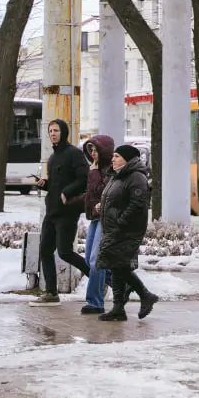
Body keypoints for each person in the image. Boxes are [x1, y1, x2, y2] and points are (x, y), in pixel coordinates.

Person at [32, 119, 91, 306]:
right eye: (50, 131)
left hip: (67, 212)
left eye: (56, 130)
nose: (53, 133)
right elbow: (57, 185)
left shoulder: (74, 154)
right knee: (45, 250)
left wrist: (68, 192)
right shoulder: (52, 158)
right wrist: (45, 184)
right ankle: (51, 292)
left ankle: (101, 278)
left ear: (63, 132)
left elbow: (84, 179)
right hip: (52, 212)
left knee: (65, 252)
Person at [96, 144, 157, 321]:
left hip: (127, 230)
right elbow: (116, 199)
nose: (113, 159)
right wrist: (104, 206)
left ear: (127, 159)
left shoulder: (136, 177)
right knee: (117, 266)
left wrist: (121, 220)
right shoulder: (118, 175)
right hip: (115, 228)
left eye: (117, 156)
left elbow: (138, 203)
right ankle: (118, 308)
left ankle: (145, 295)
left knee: (118, 265)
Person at [79, 134, 115, 315]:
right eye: (91, 149)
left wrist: (93, 173)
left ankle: (95, 303)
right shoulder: (95, 168)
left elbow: (101, 191)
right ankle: (123, 284)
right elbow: (89, 195)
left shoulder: (110, 171)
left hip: (105, 219)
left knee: (96, 262)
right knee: (89, 261)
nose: (93, 153)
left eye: (96, 149)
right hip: (94, 218)